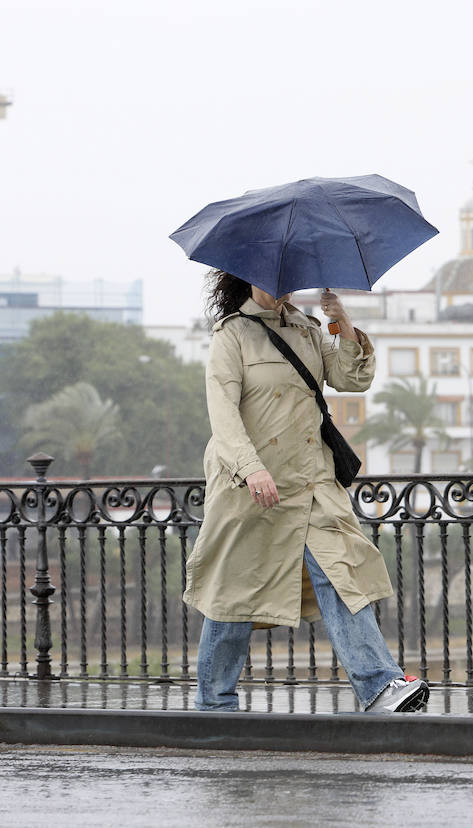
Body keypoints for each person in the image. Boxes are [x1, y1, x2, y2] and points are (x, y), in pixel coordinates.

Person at [182, 269, 430, 713]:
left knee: (341, 575)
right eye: (274, 277)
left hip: (313, 483)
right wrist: (251, 469)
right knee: (232, 593)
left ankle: (380, 685)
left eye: (289, 278)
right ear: (249, 277)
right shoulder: (231, 335)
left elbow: (352, 380)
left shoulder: (308, 330)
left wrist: (343, 323)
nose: (284, 286)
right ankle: (214, 704)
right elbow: (223, 415)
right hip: (250, 488)